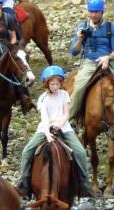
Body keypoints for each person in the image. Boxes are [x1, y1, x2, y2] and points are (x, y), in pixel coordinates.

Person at [17, 66, 94, 198]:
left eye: (58, 83)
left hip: (64, 127)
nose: (55, 86)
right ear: (47, 84)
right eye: (52, 84)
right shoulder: (42, 98)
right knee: (27, 151)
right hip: (45, 127)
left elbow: (66, 113)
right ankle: (24, 181)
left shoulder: (64, 95)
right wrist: (47, 133)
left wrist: (59, 124)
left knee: (80, 151)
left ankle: (84, 181)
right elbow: (44, 117)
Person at [68, 0, 114, 142]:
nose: (93, 15)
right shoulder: (82, 27)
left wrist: (107, 57)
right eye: (91, 11)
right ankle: (71, 121)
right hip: (89, 62)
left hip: (108, 63)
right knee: (79, 88)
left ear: (102, 12)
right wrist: (80, 39)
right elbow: (74, 52)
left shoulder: (112, 27)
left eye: (96, 12)